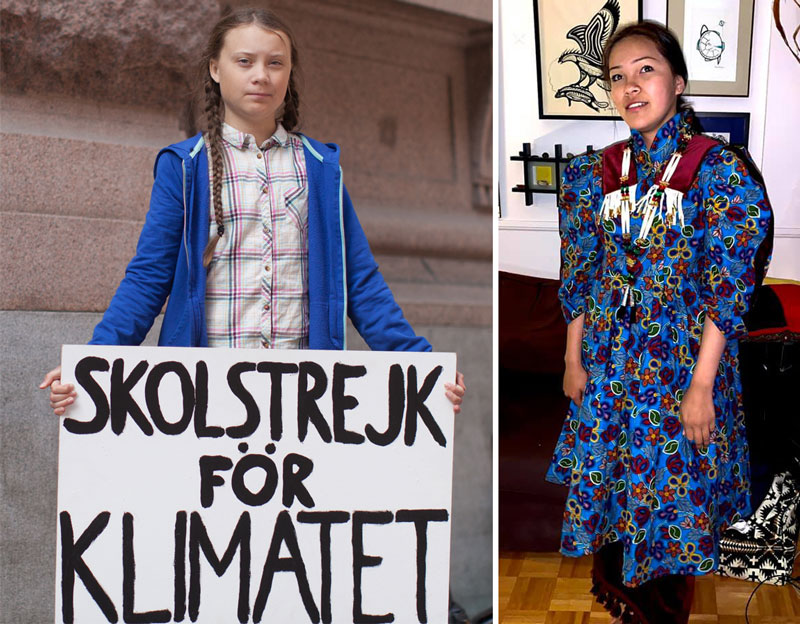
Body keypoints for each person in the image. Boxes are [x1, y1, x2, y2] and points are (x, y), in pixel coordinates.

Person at [40, 7, 465, 414]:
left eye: (275, 63)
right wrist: (90, 365)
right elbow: (148, 278)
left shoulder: (318, 169)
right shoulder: (186, 167)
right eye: (244, 61)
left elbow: (362, 283)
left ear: (288, 74)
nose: (261, 75)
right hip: (202, 393)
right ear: (215, 69)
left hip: (303, 396)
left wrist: (424, 367)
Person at [545, 21, 772, 624]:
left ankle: (663, 614)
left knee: (672, 509)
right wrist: (574, 359)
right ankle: (631, 610)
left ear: (677, 79)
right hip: (610, 369)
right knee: (618, 504)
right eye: (617, 77)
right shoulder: (594, 174)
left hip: (680, 369)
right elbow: (582, 275)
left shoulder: (718, 170)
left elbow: (730, 288)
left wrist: (702, 386)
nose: (630, 87)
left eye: (645, 70)